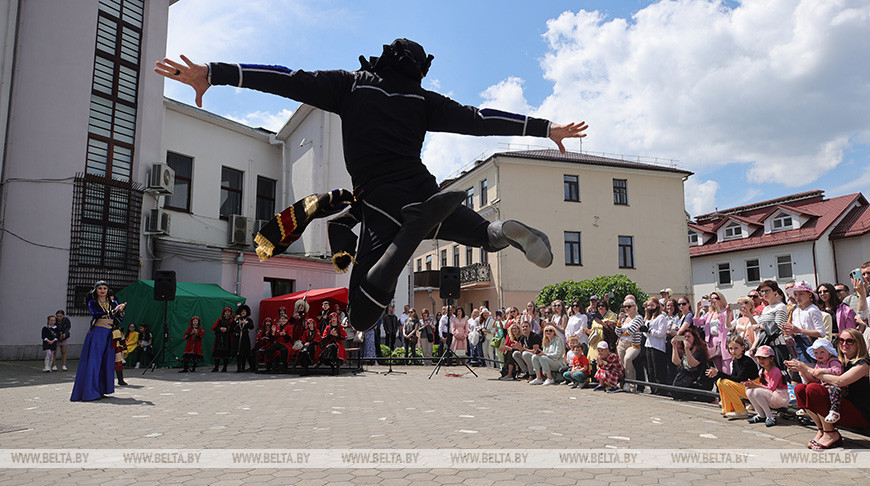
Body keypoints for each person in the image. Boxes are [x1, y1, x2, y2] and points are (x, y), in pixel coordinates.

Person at [157, 41, 587, 334]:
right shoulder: (423, 101)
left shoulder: (350, 84)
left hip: (382, 202)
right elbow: (478, 119)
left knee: (362, 315)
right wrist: (545, 127)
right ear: (418, 71)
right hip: (425, 188)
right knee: (485, 238)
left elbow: (286, 78)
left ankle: (410, 236)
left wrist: (215, 73)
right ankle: (503, 228)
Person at [789, 328, 870, 449]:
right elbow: (815, 381)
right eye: (841, 340)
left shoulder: (863, 364)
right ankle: (822, 430)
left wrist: (808, 369)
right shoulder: (837, 361)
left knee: (813, 389)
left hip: (859, 412)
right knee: (801, 388)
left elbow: (840, 381)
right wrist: (802, 370)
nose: (844, 344)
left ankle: (830, 433)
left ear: (858, 343)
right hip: (839, 408)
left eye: (849, 341)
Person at [71, 281, 127, 401]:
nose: (102, 290)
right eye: (100, 288)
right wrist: (112, 311)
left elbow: (118, 319)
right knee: (94, 362)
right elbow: (95, 314)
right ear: (95, 290)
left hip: (109, 333)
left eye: (105, 288)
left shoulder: (113, 302)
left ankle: (101, 390)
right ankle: (90, 392)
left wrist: (121, 310)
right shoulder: (93, 302)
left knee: (106, 362)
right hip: (98, 333)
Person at [788, 339, 843, 423]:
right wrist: (804, 372)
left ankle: (834, 411)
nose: (819, 355)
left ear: (829, 352)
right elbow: (816, 377)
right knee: (803, 387)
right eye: (816, 353)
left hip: (835, 385)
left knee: (834, 390)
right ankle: (804, 407)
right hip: (825, 386)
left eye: (822, 352)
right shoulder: (819, 363)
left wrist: (823, 370)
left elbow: (837, 371)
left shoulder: (833, 361)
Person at [706, 335, 758, 419]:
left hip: (753, 388)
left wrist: (719, 373)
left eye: (736, 348)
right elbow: (733, 377)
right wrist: (718, 374)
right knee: (720, 381)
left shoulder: (746, 361)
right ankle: (728, 409)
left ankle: (741, 411)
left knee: (725, 382)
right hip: (745, 386)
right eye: (731, 348)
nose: (733, 351)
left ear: (742, 348)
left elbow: (738, 379)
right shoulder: (735, 361)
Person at [749, 280, 789, 370]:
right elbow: (761, 333)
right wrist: (754, 347)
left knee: (779, 373)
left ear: (775, 291)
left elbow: (778, 327)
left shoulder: (781, 306)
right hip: (764, 345)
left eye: (767, 290)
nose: (764, 293)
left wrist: (758, 326)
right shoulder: (766, 308)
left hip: (776, 345)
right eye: (762, 291)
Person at [745, 345, 789, 427]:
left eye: (764, 358)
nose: (761, 360)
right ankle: (761, 414)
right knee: (749, 391)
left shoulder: (775, 371)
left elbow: (771, 388)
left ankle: (770, 416)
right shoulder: (761, 371)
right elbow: (764, 387)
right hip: (770, 395)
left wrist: (755, 385)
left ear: (771, 359)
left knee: (757, 391)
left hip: (779, 396)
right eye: (759, 358)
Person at [670, 327, 712, 401]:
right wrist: (674, 346)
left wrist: (687, 349)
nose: (686, 339)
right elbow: (676, 362)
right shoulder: (682, 348)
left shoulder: (699, 349)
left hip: (698, 377)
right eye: (684, 337)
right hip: (686, 375)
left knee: (685, 394)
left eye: (689, 337)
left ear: (694, 338)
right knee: (675, 391)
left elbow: (692, 364)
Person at [642, 298, 669, 395]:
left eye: (652, 305)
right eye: (648, 306)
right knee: (650, 369)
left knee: (658, 369)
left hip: (657, 346)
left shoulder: (661, 317)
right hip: (648, 344)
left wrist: (649, 331)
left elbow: (661, 333)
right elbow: (646, 334)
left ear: (657, 305)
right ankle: (653, 389)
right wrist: (644, 330)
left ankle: (661, 390)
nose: (650, 308)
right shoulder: (649, 318)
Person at [701, 291, 732, 373]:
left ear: (721, 299)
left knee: (726, 368)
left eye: (716, 298)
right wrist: (697, 309)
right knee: (717, 370)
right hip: (712, 341)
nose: (714, 301)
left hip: (723, 340)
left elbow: (723, 323)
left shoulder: (727, 312)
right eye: (712, 299)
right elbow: (698, 322)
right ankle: (719, 385)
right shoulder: (709, 313)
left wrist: (718, 308)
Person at [616, 299, 643, 392]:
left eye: (629, 306)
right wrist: (619, 320)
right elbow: (617, 331)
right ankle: (622, 383)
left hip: (633, 344)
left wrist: (621, 333)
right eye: (625, 307)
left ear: (634, 306)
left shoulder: (638, 318)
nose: (627, 308)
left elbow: (630, 331)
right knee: (621, 364)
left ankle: (631, 384)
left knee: (627, 359)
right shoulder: (624, 318)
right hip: (621, 343)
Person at [211, 306, 235, 372]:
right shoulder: (220, 319)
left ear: (230, 313)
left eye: (228, 312)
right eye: (226, 312)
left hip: (227, 339)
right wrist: (220, 329)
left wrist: (227, 329)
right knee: (217, 354)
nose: (227, 313)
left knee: (226, 354)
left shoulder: (232, 320)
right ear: (223, 313)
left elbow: (234, 328)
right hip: (219, 339)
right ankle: (216, 367)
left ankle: (225, 368)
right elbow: (214, 327)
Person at [234, 304, 255, 372]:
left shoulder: (248, 319)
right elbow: (232, 326)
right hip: (238, 337)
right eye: (242, 311)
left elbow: (252, 327)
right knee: (238, 352)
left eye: (244, 311)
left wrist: (246, 323)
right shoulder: (237, 319)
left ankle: (244, 367)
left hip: (245, 337)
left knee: (246, 352)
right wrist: (235, 320)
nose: (243, 312)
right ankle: (239, 368)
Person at [110, 321, 128, 386]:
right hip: (111, 349)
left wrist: (123, 349)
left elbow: (122, 341)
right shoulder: (113, 331)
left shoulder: (117, 331)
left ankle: (120, 380)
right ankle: (119, 380)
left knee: (118, 364)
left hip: (116, 349)